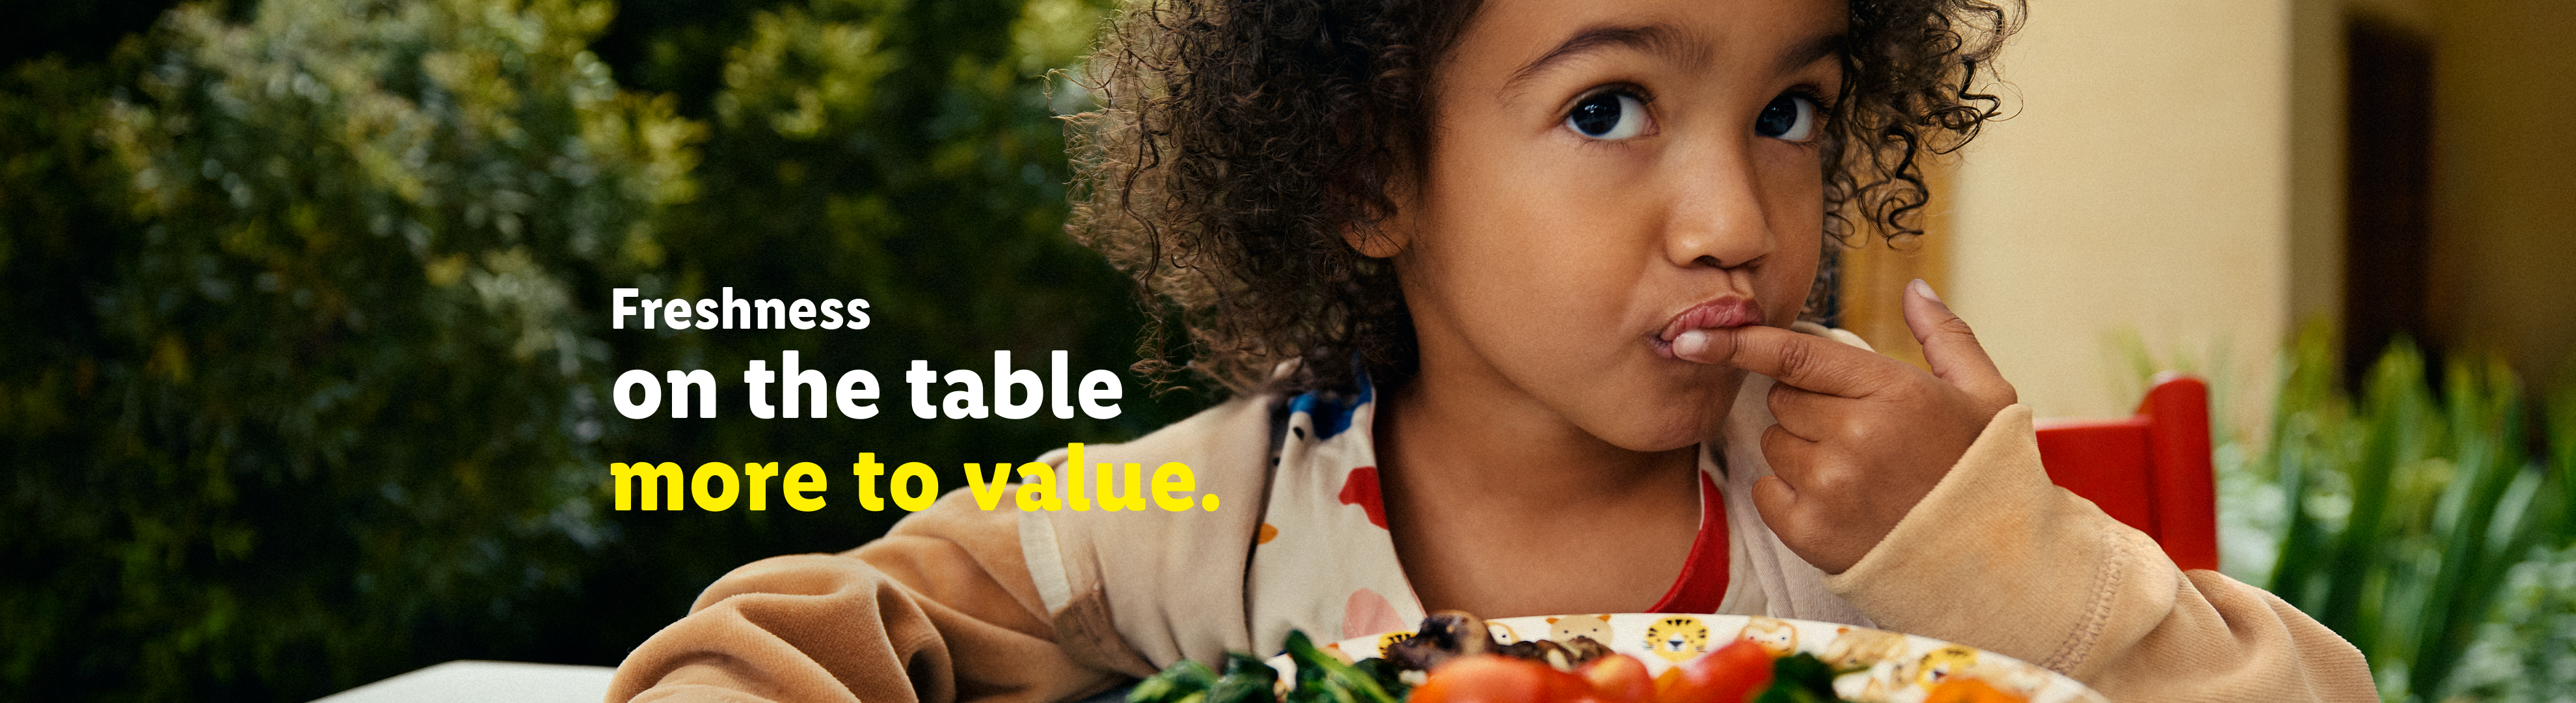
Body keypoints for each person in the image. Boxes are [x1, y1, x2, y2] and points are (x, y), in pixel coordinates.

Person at [606, 0, 2376, 701]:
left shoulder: (1877, 539)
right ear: (1370, 171)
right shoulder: (1215, 519)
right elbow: (841, 628)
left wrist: (1994, 548)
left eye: (1790, 111)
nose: (1735, 220)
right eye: (1610, 107)